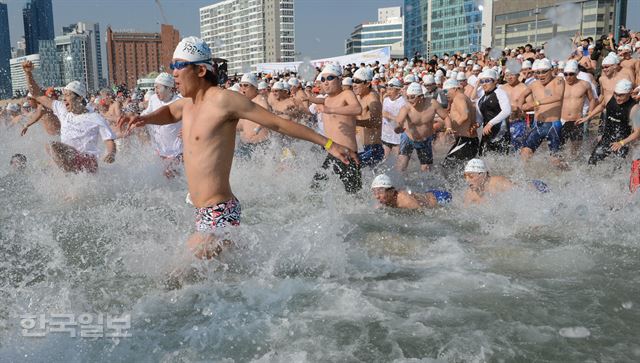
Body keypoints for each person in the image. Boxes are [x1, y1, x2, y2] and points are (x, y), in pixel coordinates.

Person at [117, 37, 357, 259]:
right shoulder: (187, 105)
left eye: (179, 66)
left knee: (178, 276)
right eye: (172, 66)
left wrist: (328, 143)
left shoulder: (223, 101)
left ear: (201, 70)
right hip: (202, 213)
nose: (173, 73)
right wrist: (144, 119)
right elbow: (169, 112)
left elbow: (277, 123)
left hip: (220, 211)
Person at [22, 61, 116, 173]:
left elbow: (109, 141)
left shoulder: (96, 118)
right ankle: (66, 181)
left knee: (54, 146)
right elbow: (37, 94)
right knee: (51, 147)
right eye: (63, 95)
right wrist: (28, 74)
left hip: (88, 162)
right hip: (69, 160)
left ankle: (66, 177)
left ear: (80, 98)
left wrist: (111, 154)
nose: (64, 99)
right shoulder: (62, 109)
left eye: (68, 95)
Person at [310, 63, 363, 194]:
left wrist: (329, 110)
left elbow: (357, 109)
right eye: (322, 79)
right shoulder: (327, 99)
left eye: (330, 78)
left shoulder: (347, 94)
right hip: (332, 152)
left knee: (354, 196)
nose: (325, 83)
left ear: (339, 79)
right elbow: (319, 101)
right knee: (315, 190)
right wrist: (306, 98)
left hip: (347, 154)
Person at [517, 59, 566, 167]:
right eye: (538, 72)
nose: (541, 75)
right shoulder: (534, 84)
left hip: (553, 125)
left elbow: (558, 96)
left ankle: (568, 176)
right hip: (538, 125)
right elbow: (522, 96)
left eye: (544, 72)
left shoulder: (558, 80)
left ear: (552, 70)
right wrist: (521, 107)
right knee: (525, 153)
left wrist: (535, 103)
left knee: (555, 160)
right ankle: (523, 178)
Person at [579, 79, 637, 165]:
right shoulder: (609, 97)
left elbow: (637, 132)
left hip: (621, 142)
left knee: (617, 169)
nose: (617, 97)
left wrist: (622, 143)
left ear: (630, 93)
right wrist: (588, 117)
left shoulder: (635, 109)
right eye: (616, 94)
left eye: (621, 95)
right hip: (607, 138)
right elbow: (601, 106)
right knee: (592, 163)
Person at [395, 82, 449, 172]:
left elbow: (446, 116)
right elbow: (399, 121)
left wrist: (449, 128)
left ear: (420, 97)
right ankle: (399, 184)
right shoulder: (406, 107)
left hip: (425, 139)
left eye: (412, 97)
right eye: (407, 97)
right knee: (401, 166)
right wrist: (398, 127)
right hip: (408, 137)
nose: (409, 100)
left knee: (426, 169)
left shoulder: (432, 104)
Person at [141, 72, 184, 177]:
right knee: (163, 179)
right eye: (154, 88)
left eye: (158, 88)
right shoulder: (153, 99)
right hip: (159, 150)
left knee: (171, 174)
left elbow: (192, 118)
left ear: (169, 88)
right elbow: (146, 114)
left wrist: (187, 128)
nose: (155, 91)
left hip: (177, 150)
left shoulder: (179, 102)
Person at [560, 60, 596, 155]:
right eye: (566, 74)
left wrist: (590, 114)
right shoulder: (560, 84)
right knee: (559, 148)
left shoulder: (584, 84)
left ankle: (574, 167)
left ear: (576, 73)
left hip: (577, 121)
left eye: (571, 74)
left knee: (575, 150)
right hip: (562, 120)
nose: (568, 77)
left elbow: (592, 99)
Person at [441, 79, 480, 169]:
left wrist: (450, 128)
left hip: (466, 140)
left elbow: (465, 115)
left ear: (455, 89)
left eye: (446, 91)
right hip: (469, 141)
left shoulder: (459, 98)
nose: (445, 94)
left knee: (447, 167)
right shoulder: (464, 98)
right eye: (443, 92)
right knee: (463, 169)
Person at [236, 73, 272, 159]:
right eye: (241, 85)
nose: (242, 88)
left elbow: (266, 112)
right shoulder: (243, 101)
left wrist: (257, 128)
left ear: (255, 87)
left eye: (246, 85)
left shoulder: (259, 99)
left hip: (259, 145)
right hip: (244, 145)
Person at [352, 68, 384, 168]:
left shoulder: (372, 98)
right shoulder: (358, 96)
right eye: (353, 81)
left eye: (357, 82)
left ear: (367, 84)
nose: (354, 84)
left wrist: (356, 122)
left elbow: (377, 122)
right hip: (359, 146)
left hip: (371, 148)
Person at [476, 69, 512, 155]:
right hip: (487, 135)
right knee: (483, 160)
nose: (484, 83)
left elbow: (507, 110)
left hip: (501, 133)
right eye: (482, 81)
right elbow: (480, 118)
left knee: (500, 163)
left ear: (495, 81)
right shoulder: (480, 99)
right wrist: (476, 124)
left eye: (488, 81)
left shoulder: (500, 93)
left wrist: (490, 123)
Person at [370, 174, 451, 209]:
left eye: (380, 192)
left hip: (440, 197)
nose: (377, 196)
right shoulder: (383, 200)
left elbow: (423, 214)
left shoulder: (404, 200)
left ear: (391, 191)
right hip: (427, 195)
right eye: (375, 192)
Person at [501, 69, 529, 150]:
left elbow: (531, 104)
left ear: (517, 75)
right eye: (507, 75)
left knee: (517, 148)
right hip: (504, 123)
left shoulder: (524, 88)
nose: (509, 77)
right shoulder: (501, 89)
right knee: (504, 149)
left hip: (518, 123)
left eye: (512, 75)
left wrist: (518, 108)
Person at [381, 78, 405, 158]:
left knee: (397, 160)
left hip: (398, 137)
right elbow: (383, 114)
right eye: (388, 89)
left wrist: (390, 116)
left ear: (398, 90)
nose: (388, 92)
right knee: (385, 160)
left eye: (391, 89)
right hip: (386, 135)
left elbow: (405, 121)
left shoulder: (403, 102)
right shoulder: (386, 99)